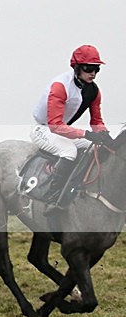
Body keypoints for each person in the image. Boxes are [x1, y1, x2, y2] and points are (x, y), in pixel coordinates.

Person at [31, 44, 115, 215]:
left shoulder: (94, 91)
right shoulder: (61, 86)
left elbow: (96, 121)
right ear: (77, 67)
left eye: (96, 69)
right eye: (88, 68)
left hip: (62, 130)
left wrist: (104, 134)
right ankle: (53, 197)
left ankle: (78, 187)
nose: (93, 73)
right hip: (44, 129)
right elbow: (55, 125)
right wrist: (85, 134)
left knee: (94, 148)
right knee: (69, 151)